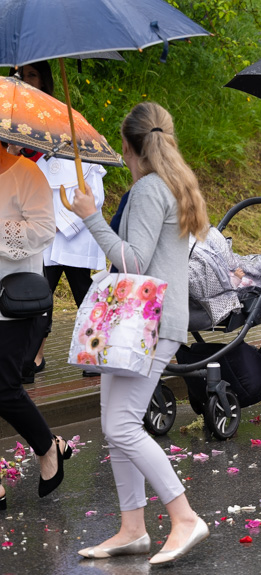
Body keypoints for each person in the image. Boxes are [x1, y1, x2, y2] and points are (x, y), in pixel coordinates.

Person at [70, 102, 211, 564]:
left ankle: (184, 515)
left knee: (121, 424)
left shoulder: (151, 189)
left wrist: (91, 216)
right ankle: (132, 527)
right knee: (116, 422)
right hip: (145, 322)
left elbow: (133, 263)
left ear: (128, 145)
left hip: (146, 323)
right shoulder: (169, 183)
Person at [7, 62, 107, 382]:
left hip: (73, 229)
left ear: (47, 81)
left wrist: (67, 220)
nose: (26, 81)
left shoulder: (68, 124)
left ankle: (96, 355)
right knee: (38, 294)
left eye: (32, 75)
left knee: (85, 296)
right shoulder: (11, 127)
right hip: (40, 230)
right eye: (20, 76)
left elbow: (92, 176)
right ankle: (28, 361)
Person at [0, 141, 72, 510]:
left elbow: (44, 229)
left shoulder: (27, 174)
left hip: (10, 303)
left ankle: (48, 448)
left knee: (4, 388)